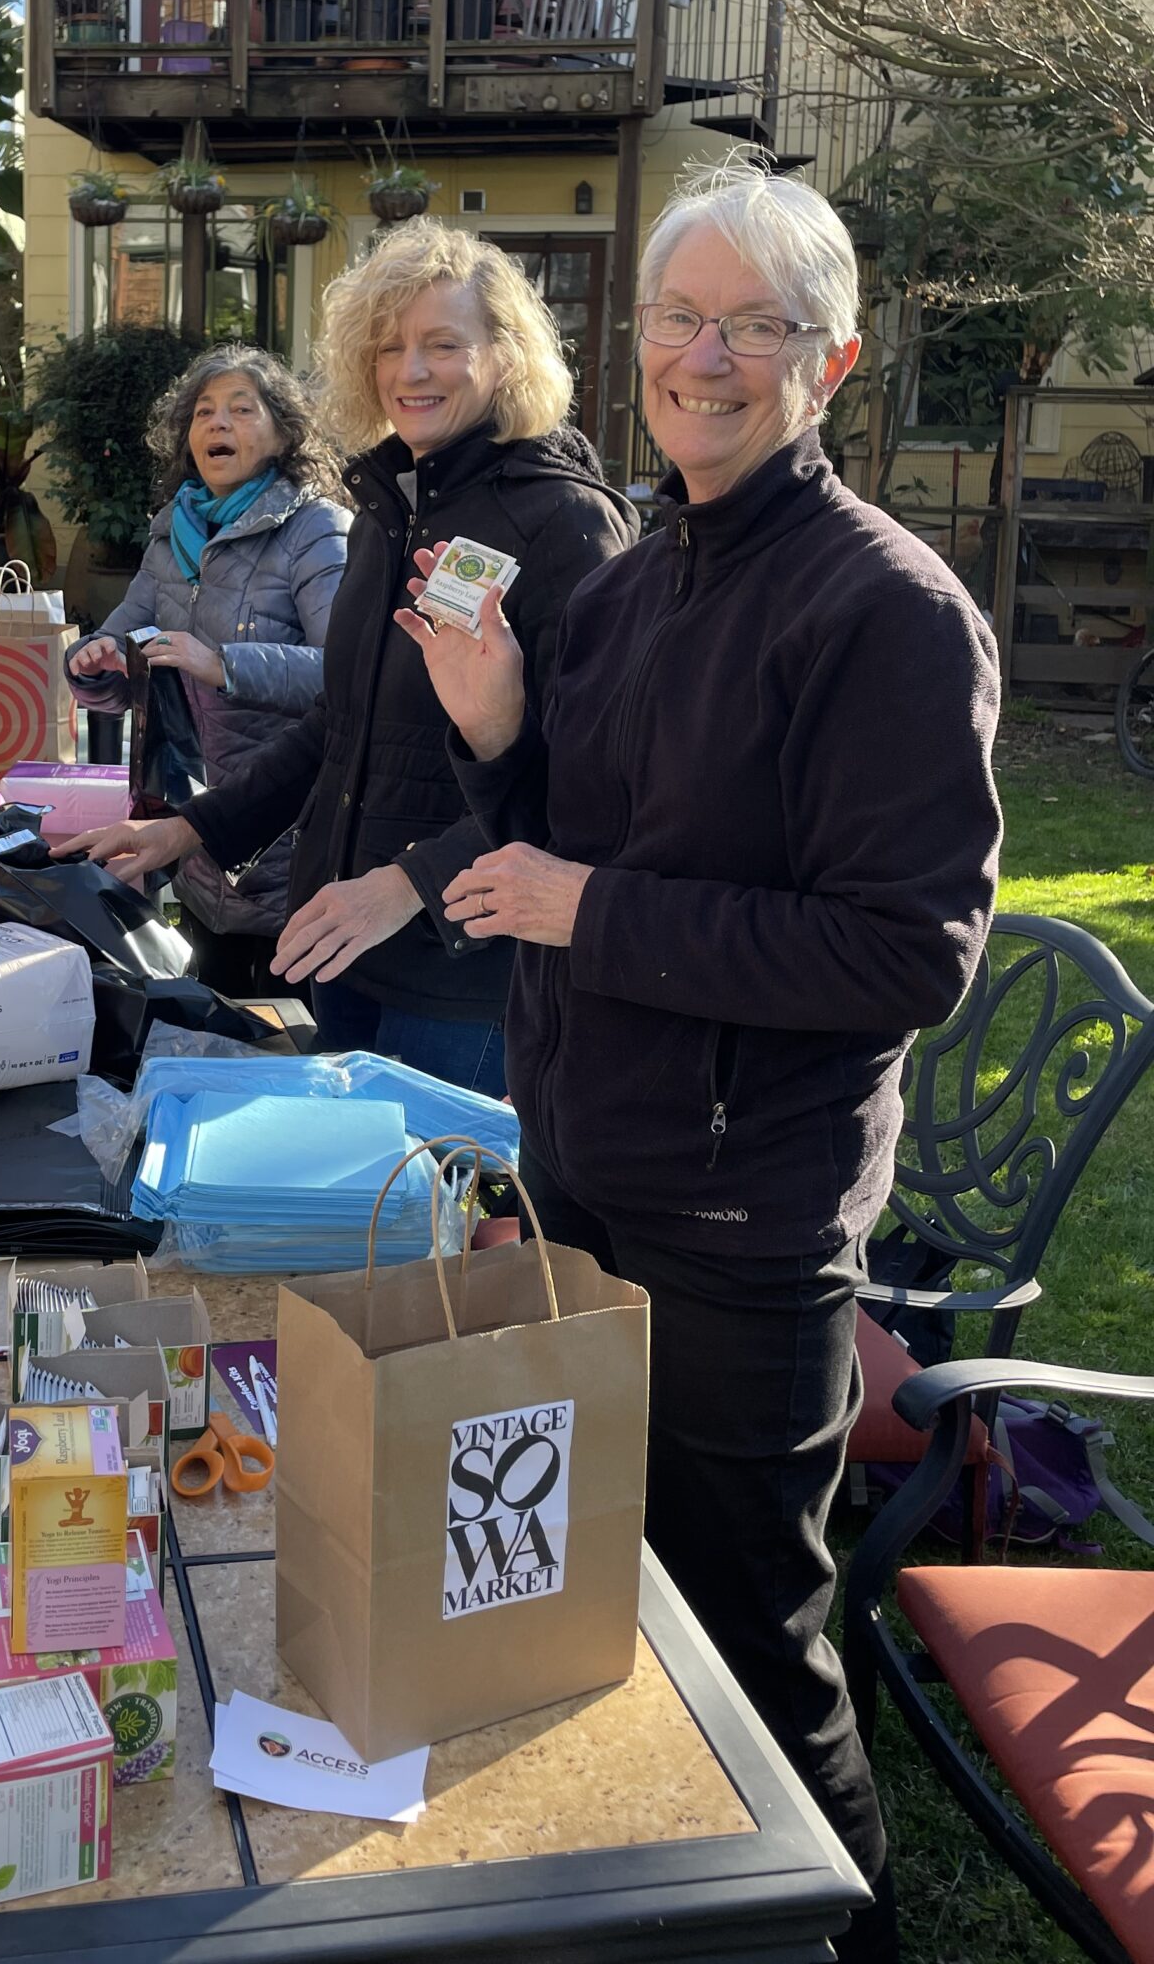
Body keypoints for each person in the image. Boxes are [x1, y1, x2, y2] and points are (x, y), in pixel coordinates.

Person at [397, 158, 1003, 1963]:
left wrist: (592, 912)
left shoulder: (885, 610)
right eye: (679, 319)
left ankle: (847, 1943)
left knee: (758, 1644)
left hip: (746, 1219)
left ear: (833, 360)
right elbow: (563, 843)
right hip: (588, 1169)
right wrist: (498, 728)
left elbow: (910, 954)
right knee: (619, 1597)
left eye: (757, 326)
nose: (707, 357)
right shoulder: (642, 577)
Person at [61, 223, 636, 1087]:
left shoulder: (564, 524)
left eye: (443, 344)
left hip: (462, 975)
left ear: (506, 356)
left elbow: (590, 776)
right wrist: (192, 827)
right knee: (361, 1217)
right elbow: (340, 725)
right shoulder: (390, 510)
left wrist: (408, 885)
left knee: (439, 1211)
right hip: (346, 944)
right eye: (389, 347)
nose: (411, 370)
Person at [63, 344, 350, 997]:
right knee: (213, 1028)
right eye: (203, 412)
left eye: (241, 410)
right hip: (195, 838)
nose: (217, 424)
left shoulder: (315, 530)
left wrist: (221, 664)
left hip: (289, 838)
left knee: (287, 1043)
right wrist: (96, 662)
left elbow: (350, 676)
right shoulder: (172, 534)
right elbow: (125, 635)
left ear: (283, 433)